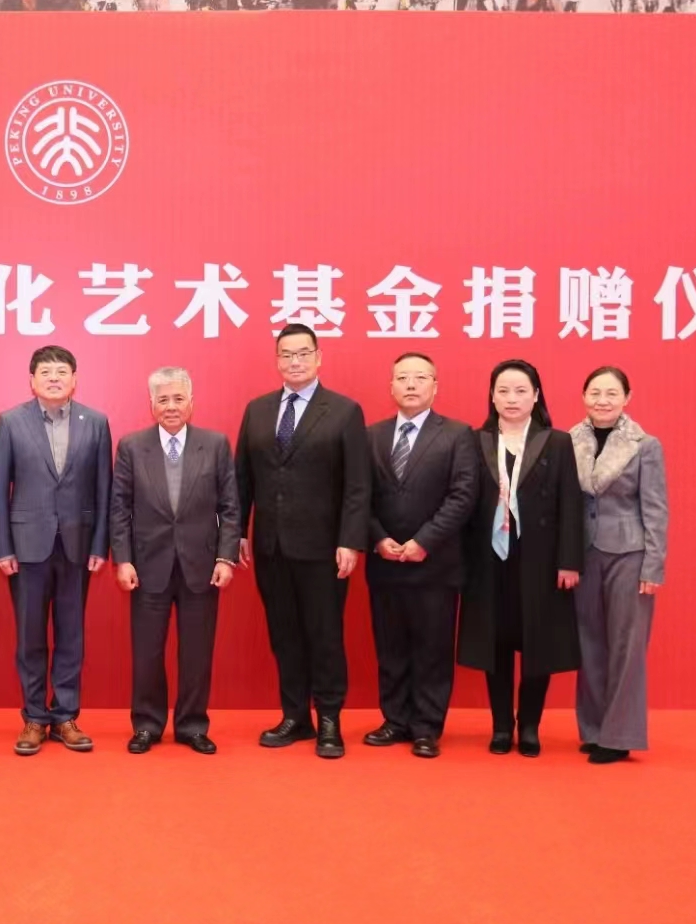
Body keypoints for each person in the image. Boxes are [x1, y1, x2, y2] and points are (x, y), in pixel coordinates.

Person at [235, 323, 370, 758]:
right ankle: (295, 716)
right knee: (285, 634)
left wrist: (350, 540)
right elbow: (242, 479)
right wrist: (236, 532)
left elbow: (357, 485)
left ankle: (329, 718)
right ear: (277, 360)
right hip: (271, 546)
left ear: (318, 357)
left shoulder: (344, 411)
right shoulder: (257, 410)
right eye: (286, 354)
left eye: (303, 353)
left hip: (324, 548)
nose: (295, 361)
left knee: (324, 634)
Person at [0, 345, 113, 756]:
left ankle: (65, 717)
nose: (54, 378)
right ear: (32, 380)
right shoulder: (11, 421)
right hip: (26, 547)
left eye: (62, 371)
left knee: (71, 635)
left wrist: (100, 543)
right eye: (46, 372)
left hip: (78, 545)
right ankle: (34, 718)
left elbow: (104, 488)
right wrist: (3, 547)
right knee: (30, 637)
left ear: (75, 379)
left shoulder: (96, 423)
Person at [110, 368, 240, 755]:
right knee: (147, 652)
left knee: (197, 652)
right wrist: (123, 560)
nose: (171, 406)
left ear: (191, 403)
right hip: (147, 566)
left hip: (202, 565)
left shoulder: (215, 444)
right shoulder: (132, 446)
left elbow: (230, 507)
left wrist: (226, 557)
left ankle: (192, 725)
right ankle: (147, 724)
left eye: (178, 398)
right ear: (151, 405)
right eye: (163, 399)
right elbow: (119, 509)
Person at [458, 359, 584, 758]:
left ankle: (529, 725)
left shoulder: (557, 442)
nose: (511, 398)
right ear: (492, 396)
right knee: (493, 643)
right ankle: (501, 726)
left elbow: (571, 505)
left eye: (520, 391)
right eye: (503, 391)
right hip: (488, 561)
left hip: (541, 563)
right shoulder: (474, 441)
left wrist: (569, 561)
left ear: (536, 396)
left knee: (538, 643)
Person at [363, 353, 477, 759]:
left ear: (435, 386)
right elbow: (359, 495)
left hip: (436, 564)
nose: (411, 385)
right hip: (385, 562)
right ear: (391, 386)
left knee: (432, 649)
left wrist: (424, 541)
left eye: (420, 377)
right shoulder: (370, 436)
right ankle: (395, 720)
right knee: (390, 647)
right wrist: (378, 538)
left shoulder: (458, 434)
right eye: (402, 378)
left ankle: (427, 726)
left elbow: (463, 495)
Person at [570, 367, 668, 765]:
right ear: (583, 397)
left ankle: (620, 735)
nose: (603, 400)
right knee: (588, 642)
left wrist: (653, 566)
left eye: (612, 393)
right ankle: (594, 730)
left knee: (627, 646)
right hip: (583, 554)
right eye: (595, 392)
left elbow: (656, 509)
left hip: (630, 553)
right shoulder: (568, 440)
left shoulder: (645, 445)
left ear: (627, 398)